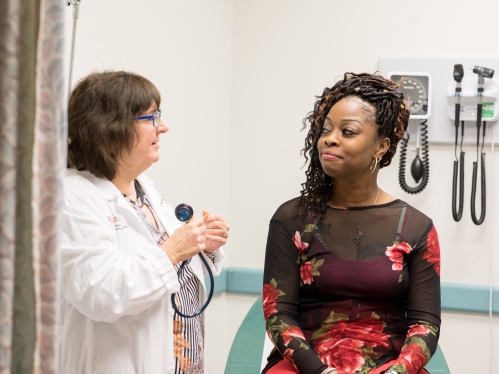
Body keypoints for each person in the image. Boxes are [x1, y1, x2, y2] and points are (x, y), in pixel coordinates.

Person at [262, 73, 440, 374]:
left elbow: (425, 323)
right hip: (305, 366)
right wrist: (319, 371)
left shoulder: (416, 227)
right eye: (326, 129)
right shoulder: (290, 219)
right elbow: (278, 314)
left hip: (390, 367)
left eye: (348, 131)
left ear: (381, 146)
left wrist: (398, 371)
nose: (330, 138)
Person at [59, 71, 229, 374]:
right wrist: (172, 251)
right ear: (111, 129)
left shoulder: (144, 190)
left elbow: (171, 282)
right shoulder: (73, 198)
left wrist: (203, 247)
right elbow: (101, 294)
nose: (163, 127)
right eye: (150, 118)